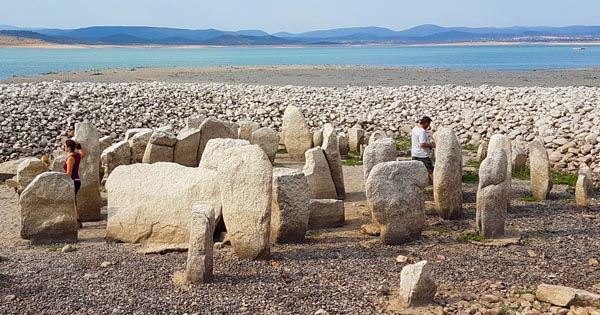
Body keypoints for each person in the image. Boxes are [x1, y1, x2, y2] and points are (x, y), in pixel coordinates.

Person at [411, 116, 435, 182]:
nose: (428, 126)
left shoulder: (415, 129)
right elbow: (422, 144)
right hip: (422, 154)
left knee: (416, 170)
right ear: (426, 123)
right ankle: (435, 183)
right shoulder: (422, 131)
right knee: (430, 170)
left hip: (414, 153)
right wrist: (431, 145)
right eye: (428, 124)